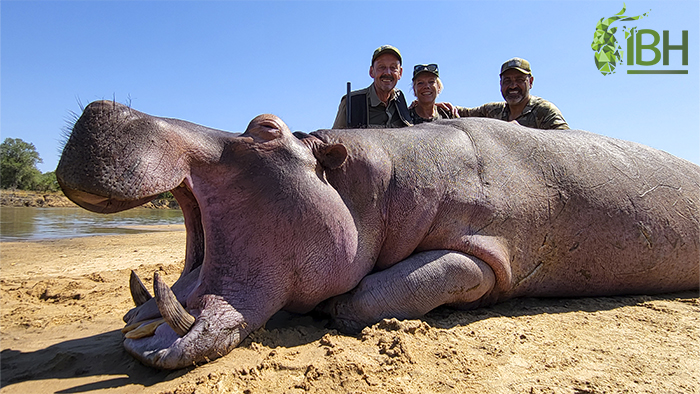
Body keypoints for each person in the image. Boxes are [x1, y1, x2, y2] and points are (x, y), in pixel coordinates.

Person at [449, 57, 569, 130]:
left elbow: (565, 142)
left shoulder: (545, 111)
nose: (513, 86)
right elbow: (461, 113)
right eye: (507, 81)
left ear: (530, 82)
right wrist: (438, 107)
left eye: (519, 80)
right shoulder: (492, 111)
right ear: (500, 83)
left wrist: (523, 134)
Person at [332, 45, 412, 129]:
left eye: (393, 68)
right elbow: (335, 139)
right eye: (381, 67)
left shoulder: (400, 98)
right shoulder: (351, 102)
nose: (387, 72)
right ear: (371, 72)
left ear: (400, 73)